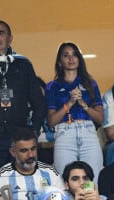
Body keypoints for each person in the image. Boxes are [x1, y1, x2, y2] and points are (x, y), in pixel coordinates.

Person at [0, 20, 45, 194]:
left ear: (10, 38)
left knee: (23, 185)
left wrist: (34, 131)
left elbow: (38, 101)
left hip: (19, 139)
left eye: (1, 33)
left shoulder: (23, 65)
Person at [45, 42, 104, 183]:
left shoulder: (91, 83)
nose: (71, 58)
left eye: (74, 55)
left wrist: (84, 105)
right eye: (66, 55)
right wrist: (70, 103)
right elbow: (51, 121)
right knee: (65, 180)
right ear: (60, 61)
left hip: (88, 132)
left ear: (79, 59)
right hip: (65, 134)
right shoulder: (52, 86)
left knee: (92, 180)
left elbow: (101, 118)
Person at [0, 126, 64, 200]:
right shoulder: (2, 175)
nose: (30, 155)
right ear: (13, 152)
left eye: (33, 149)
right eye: (24, 151)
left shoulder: (50, 172)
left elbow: (62, 197)